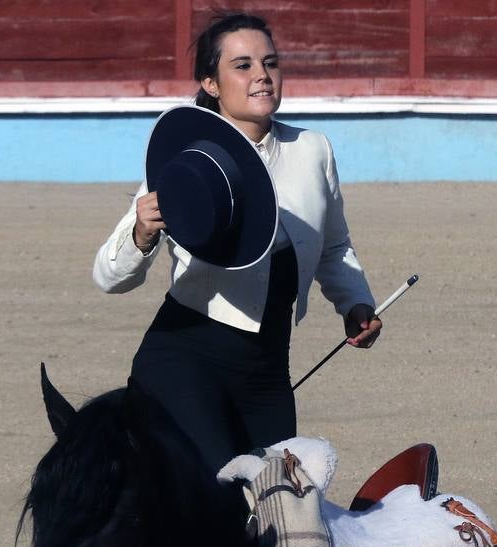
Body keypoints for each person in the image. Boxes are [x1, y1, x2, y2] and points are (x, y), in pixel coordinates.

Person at [93, 12, 381, 473]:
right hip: (187, 357)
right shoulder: (188, 158)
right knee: (216, 492)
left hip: (268, 367)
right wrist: (141, 233)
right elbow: (108, 277)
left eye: (270, 63)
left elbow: (332, 245)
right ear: (210, 82)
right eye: (243, 65)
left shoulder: (313, 149)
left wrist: (355, 304)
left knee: (278, 501)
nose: (263, 76)